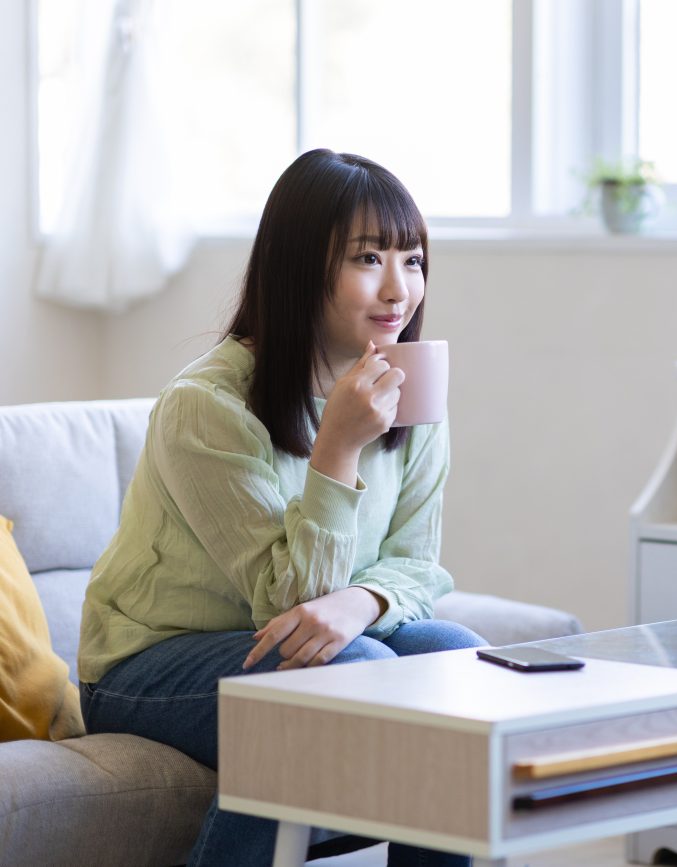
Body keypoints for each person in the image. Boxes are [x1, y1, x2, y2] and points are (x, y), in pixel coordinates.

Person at [77, 149, 484, 867]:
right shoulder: (205, 407)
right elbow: (287, 603)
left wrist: (361, 602)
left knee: (454, 659)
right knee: (336, 677)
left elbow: (419, 565)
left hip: (314, 642)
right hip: (147, 662)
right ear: (301, 267)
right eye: (369, 258)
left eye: (414, 260)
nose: (400, 289)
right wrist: (337, 449)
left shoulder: (411, 392)